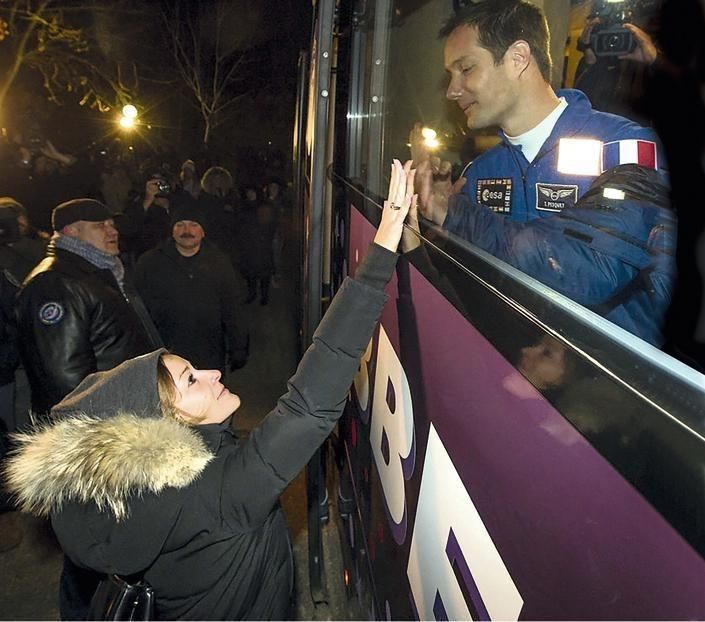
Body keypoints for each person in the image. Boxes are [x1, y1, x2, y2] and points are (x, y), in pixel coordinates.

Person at [5, 159, 415, 621]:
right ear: (166, 423)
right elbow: (308, 403)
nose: (214, 375)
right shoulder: (217, 495)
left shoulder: (134, 496)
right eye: (191, 380)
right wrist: (379, 257)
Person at [415, 0, 667, 227]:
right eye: (451, 76)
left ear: (518, 58)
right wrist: (445, 222)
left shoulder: (625, 149)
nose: (451, 91)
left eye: (466, 69)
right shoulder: (478, 174)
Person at [15, 198, 161, 418]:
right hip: (105, 421)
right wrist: (98, 428)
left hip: (126, 409)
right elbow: (65, 376)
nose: (112, 231)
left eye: (112, 224)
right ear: (71, 230)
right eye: (100, 225)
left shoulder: (101, 271)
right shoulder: (55, 283)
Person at [134, 200, 248, 374]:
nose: (186, 231)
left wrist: (238, 346)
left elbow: (233, 307)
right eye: (180, 224)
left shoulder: (220, 263)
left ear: (203, 231)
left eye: (194, 225)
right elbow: (140, 311)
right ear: (172, 230)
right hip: (166, 355)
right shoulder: (150, 263)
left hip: (208, 353)